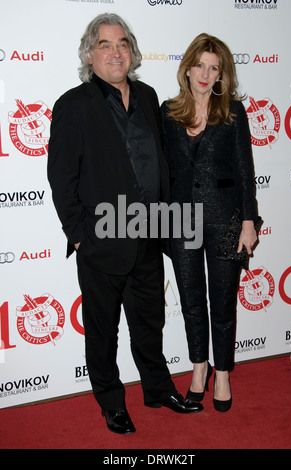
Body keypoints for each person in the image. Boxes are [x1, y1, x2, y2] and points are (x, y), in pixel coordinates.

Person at [47, 13, 203, 435]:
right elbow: (62, 179)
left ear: (131, 51)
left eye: (121, 44)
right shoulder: (72, 105)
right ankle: (111, 402)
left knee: (150, 323)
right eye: (105, 45)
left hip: (149, 235)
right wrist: (80, 237)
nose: (115, 52)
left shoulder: (150, 96)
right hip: (101, 242)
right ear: (89, 54)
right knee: (103, 332)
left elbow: (162, 163)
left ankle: (157, 389)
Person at [161, 33, 258, 412]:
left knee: (222, 302)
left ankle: (222, 373)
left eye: (213, 67)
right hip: (181, 219)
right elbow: (162, 171)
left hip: (226, 218)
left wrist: (248, 221)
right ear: (187, 68)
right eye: (199, 65)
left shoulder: (233, 111)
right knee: (190, 302)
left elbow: (246, 171)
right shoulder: (168, 113)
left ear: (222, 75)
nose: (205, 73)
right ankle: (198, 367)